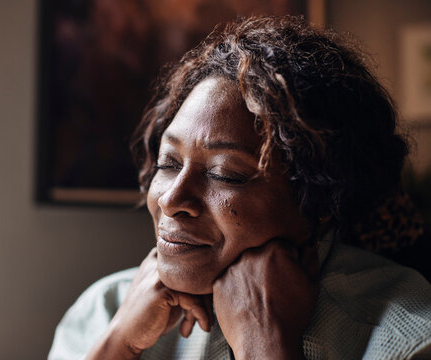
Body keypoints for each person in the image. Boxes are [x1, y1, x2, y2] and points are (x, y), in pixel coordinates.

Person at [48, 16, 431, 359]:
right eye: (169, 163)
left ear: (319, 199)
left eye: (225, 174)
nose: (171, 199)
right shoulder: (104, 309)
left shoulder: (407, 340)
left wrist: (264, 347)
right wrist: (118, 346)